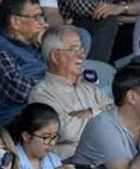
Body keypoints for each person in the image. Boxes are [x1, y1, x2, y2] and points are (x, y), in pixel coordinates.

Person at [27, 26, 112, 155]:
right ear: (55, 57)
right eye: (73, 49)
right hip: (74, 166)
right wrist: (101, 115)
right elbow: (66, 131)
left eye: (81, 49)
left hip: (107, 155)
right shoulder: (41, 93)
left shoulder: (87, 86)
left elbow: (117, 113)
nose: (82, 55)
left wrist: (89, 113)